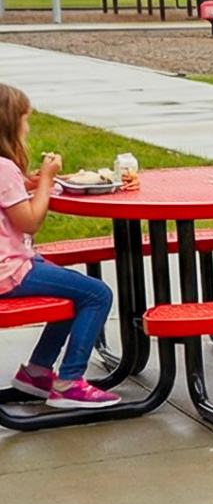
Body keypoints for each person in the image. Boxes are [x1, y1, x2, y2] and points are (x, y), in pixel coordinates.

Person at [0, 83, 120, 409]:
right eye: (25, 120)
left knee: (70, 288)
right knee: (96, 293)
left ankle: (37, 373)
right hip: (8, 272)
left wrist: (28, 183)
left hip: (14, 264)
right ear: (11, 123)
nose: (28, 127)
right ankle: (69, 382)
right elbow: (30, 221)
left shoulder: (6, 171)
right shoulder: (4, 168)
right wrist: (49, 182)